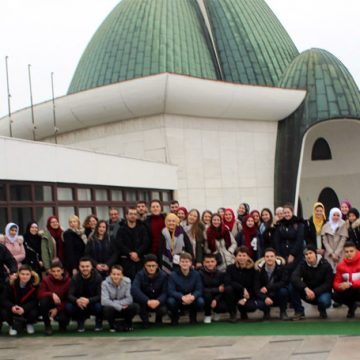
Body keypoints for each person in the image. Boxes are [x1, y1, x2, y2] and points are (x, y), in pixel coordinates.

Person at [291, 245, 333, 319]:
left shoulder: (326, 265)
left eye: (310, 253)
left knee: (324, 301)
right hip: (307, 293)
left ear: (315, 253)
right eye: (306, 254)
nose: (308, 256)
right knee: (292, 286)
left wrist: (314, 292)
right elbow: (294, 277)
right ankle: (299, 311)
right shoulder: (302, 264)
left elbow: (328, 284)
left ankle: (322, 310)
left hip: (321, 293)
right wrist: (305, 288)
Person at [65, 257, 103, 332]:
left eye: (87, 266)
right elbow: (69, 295)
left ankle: (98, 322)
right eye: (82, 266)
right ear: (79, 267)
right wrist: (77, 300)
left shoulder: (98, 277)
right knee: (68, 307)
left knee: (100, 306)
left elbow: (100, 296)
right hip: (80, 304)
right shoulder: (75, 278)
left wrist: (89, 300)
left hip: (93, 303)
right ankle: (80, 321)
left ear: (91, 267)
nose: (85, 268)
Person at [1, 265, 39, 336]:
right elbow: (4, 299)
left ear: (31, 275)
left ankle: (29, 323)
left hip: (26, 309)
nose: (25, 276)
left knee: (34, 312)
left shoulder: (35, 285)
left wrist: (24, 309)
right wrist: (12, 307)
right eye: (22, 274)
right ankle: (12, 325)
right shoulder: (11, 283)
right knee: (4, 312)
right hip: (14, 308)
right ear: (19, 274)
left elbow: (35, 301)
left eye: (27, 274)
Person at [131, 254, 168, 328]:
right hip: (145, 302)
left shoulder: (163, 276)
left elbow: (166, 292)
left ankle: (158, 319)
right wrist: (147, 301)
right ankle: (145, 321)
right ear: (145, 266)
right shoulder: (139, 275)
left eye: (153, 266)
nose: (151, 268)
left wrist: (158, 301)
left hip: (157, 302)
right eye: (149, 266)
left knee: (164, 308)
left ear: (157, 266)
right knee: (137, 305)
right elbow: (134, 289)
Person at [167, 252, 204, 325]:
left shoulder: (196, 274)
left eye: (187, 262)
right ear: (179, 263)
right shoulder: (173, 275)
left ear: (190, 263)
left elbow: (199, 289)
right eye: (182, 261)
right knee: (170, 301)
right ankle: (175, 317)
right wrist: (182, 297)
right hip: (179, 299)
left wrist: (192, 297)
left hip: (192, 298)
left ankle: (193, 316)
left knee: (200, 301)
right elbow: (171, 291)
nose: (184, 263)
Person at [114, 207, 151, 279]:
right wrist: (130, 253)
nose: (133, 216)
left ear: (137, 216)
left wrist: (137, 253)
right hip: (126, 261)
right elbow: (119, 244)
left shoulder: (142, 228)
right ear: (126, 216)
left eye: (135, 214)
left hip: (139, 259)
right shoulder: (121, 229)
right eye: (130, 214)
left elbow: (146, 243)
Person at [254, 248, 289, 320]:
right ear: (264, 258)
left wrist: (268, 288)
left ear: (275, 257)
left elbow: (283, 282)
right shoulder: (258, 270)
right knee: (259, 303)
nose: (269, 258)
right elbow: (256, 288)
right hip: (265, 295)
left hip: (277, 293)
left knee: (284, 291)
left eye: (271, 256)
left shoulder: (282, 268)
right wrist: (265, 297)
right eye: (267, 256)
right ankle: (266, 312)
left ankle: (283, 312)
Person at [101, 265, 138, 332]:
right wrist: (119, 306)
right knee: (106, 309)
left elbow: (129, 299)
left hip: (124, 307)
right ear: (110, 274)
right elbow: (104, 301)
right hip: (113, 308)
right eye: (114, 274)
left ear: (122, 275)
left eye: (118, 274)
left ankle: (128, 323)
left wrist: (115, 302)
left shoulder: (127, 282)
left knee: (135, 306)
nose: (116, 276)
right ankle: (112, 325)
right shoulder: (104, 283)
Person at [38, 261, 71, 335]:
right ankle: (47, 325)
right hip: (50, 303)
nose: (56, 273)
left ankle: (62, 323)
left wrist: (57, 309)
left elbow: (68, 298)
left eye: (58, 271)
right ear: (50, 271)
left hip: (62, 305)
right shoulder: (46, 280)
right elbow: (40, 294)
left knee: (63, 321)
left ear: (62, 270)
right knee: (43, 301)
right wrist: (52, 294)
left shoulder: (68, 281)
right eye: (53, 271)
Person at [225, 246, 257, 322]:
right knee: (228, 289)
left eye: (244, 255)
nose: (241, 258)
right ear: (236, 257)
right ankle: (232, 313)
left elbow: (255, 286)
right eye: (239, 255)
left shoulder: (253, 269)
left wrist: (245, 299)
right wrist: (242, 288)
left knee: (251, 307)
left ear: (248, 257)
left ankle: (243, 312)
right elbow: (228, 281)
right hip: (234, 295)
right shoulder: (230, 268)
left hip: (248, 296)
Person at [199, 253, 231, 323]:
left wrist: (216, 299)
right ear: (204, 263)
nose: (210, 264)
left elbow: (222, 290)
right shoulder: (200, 274)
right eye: (207, 262)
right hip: (205, 296)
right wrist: (217, 290)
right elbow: (201, 289)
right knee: (207, 295)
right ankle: (208, 314)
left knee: (224, 305)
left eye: (212, 261)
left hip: (217, 297)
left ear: (216, 262)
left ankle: (217, 311)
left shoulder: (221, 274)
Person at [333, 241, 360, 318]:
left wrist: (350, 284)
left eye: (351, 251)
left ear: (356, 251)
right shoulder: (340, 265)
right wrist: (341, 286)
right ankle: (352, 307)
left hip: (357, 288)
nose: (349, 253)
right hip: (349, 289)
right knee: (335, 295)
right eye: (346, 252)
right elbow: (336, 282)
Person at [321, 207, 348, 272]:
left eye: (338, 215)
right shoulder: (326, 226)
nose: (336, 217)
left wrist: (336, 253)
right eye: (334, 215)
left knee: (340, 272)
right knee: (329, 272)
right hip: (329, 254)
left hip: (340, 253)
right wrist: (331, 253)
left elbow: (343, 240)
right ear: (331, 215)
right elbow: (325, 241)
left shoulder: (343, 224)